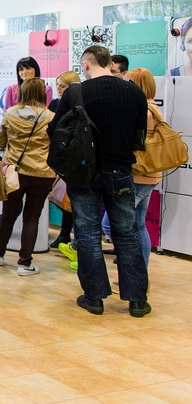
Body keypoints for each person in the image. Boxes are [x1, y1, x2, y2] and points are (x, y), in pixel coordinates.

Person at [49, 45, 150, 317]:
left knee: (88, 233)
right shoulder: (134, 92)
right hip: (121, 170)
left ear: (85, 64)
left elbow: (55, 130)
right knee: (127, 233)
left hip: (84, 171)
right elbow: (139, 136)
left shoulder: (76, 92)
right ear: (109, 63)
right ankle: (137, 300)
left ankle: (94, 297)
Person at [0, 78, 55, 275]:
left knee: (8, 214)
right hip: (42, 172)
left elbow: (1, 140)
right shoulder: (51, 116)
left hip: (14, 171)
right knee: (31, 218)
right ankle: (25, 263)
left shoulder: (10, 114)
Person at [126, 68, 162, 267]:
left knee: (118, 224)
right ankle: (140, 275)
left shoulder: (144, 110)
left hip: (140, 173)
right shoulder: (154, 108)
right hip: (150, 172)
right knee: (139, 224)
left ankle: (135, 275)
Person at [49, 70, 80, 248]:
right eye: (58, 85)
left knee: (71, 200)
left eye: (63, 86)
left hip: (72, 157)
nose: (59, 89)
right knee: (63, 199)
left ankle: (70, 237)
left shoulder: (78, 107)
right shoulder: (54, 103)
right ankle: (64, 233)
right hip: (58, 155)